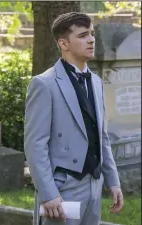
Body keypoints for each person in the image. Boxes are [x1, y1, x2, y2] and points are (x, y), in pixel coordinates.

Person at [24, 12, 124, 225]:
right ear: (63, 43)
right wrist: (48, 193)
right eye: (82, 35)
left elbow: (102, 137)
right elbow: (35, 144)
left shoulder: (96, 82)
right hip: (63, 188)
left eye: (92, 34)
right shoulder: (44, 84)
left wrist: (113, 182)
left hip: (94, 186)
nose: (91, 40)